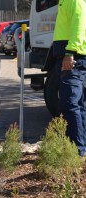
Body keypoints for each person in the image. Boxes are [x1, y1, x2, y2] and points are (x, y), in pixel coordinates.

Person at [53, 0, 86, 156]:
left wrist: (70, 52)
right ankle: (81, 147)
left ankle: (76, 150)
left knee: (70, 103)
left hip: (73, 57)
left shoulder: (74, 0)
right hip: (73, 55)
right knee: (77, 104)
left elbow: (79, 24)